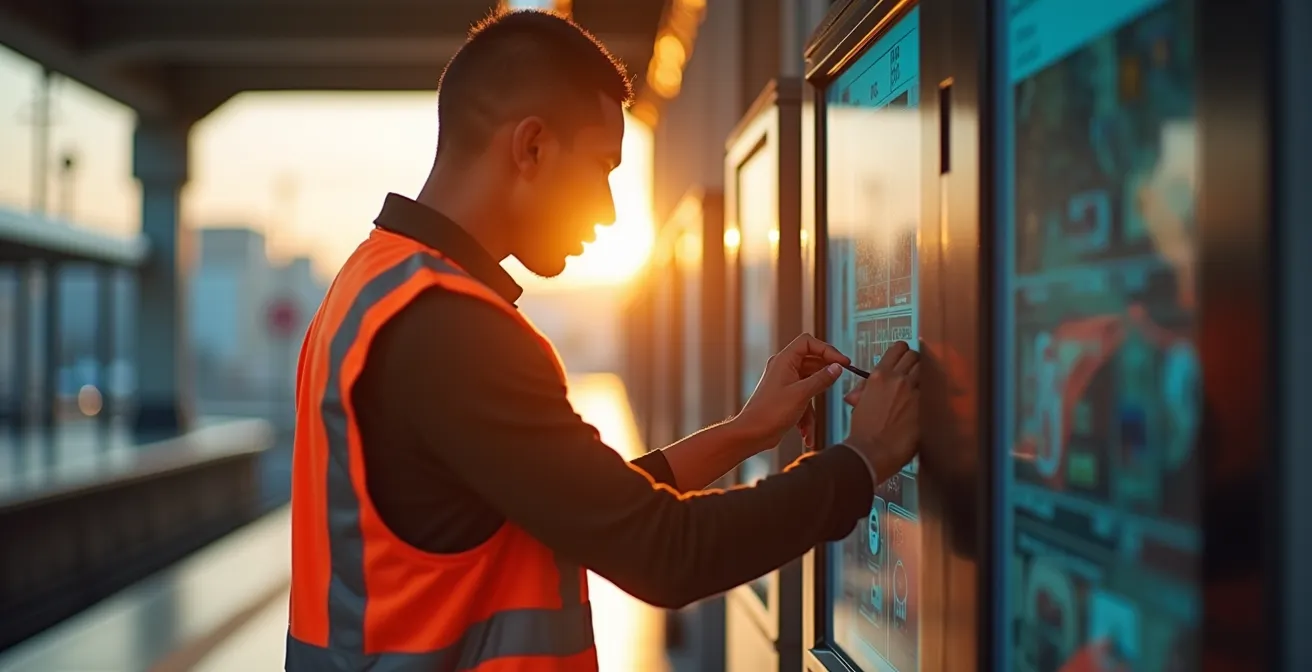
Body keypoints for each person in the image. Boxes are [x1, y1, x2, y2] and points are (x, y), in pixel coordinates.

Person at [285, 9, 921, 672]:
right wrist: (865, 457)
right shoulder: (453, 331)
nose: (609, 210)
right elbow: (665, 553)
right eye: (600, 167)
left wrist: (746, 432)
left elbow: (580, 503)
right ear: (530, 148)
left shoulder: (375, 285)